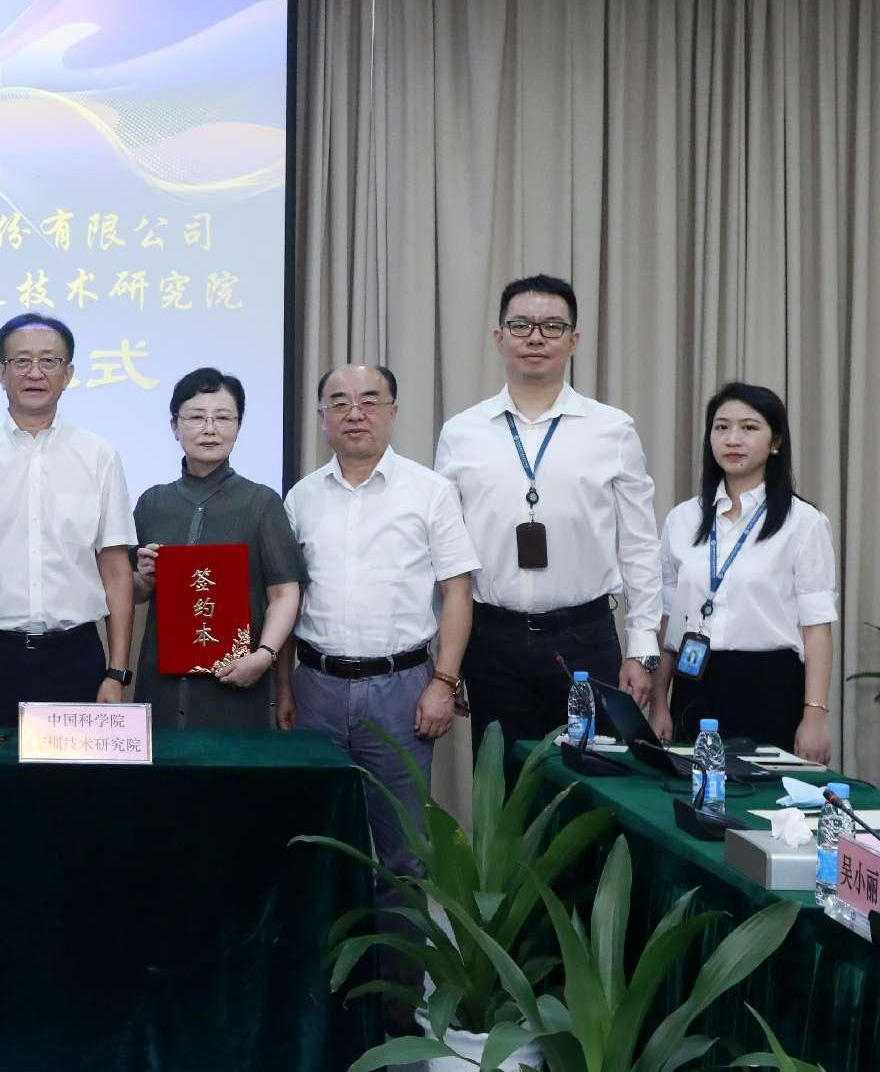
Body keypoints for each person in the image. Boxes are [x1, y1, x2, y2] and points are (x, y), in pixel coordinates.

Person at [278, 364, 478, 1033]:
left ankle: (397, 1006)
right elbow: (286, 597)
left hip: (403, 689)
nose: (354, 412)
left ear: (393, 411)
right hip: (316, 685)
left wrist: (443, 682)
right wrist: (284, 686)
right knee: (318, 847)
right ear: (322, 417)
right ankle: (322, 1001)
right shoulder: (301, 498)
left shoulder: (429, 491)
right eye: (339, 402)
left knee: (403, 857)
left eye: (370, 400)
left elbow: (457, 592)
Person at [435, 274, 661, 750]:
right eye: (521, 325)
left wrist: (642, 649)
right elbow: (445, 556)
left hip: (585, 637)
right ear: (498, 337)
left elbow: (640, 545)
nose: (535, 338)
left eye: (552, 327)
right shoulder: (461, 433)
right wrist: (447, 662)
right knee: (504, 784)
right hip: (492, 640)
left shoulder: (613, 430)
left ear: (574, 341)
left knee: (590, 780)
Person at [0, 313, 137, 728]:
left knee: (74, 772)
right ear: (0, 373)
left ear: (68, 374)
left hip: (75, 656)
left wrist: (116, 672)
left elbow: (116, 572)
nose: (35, 373)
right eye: (21, 361)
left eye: (49, 361)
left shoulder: (99, 456)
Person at [649, 383, 835, 763]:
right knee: (690, 791)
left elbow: (817, 628)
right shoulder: (683, 519)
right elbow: (669, 618)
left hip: (769, 686)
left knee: (763, 797)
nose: (733, 439)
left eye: (749, 428)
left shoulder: (804, 522)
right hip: (694, 682)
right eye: (722, 427)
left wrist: (815, 714)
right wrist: (658, 702)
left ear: (775, 441)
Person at [131, 367, 306, 728]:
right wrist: (145, 577)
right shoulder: (152, 502)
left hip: (238, 682)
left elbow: (285, 592)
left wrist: (264, 655)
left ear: (238, 427)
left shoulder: (261, 502)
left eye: (223, 418)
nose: (210, 429)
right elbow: (133, 592)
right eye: (196, 417)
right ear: (174, 427)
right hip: (162, 684)